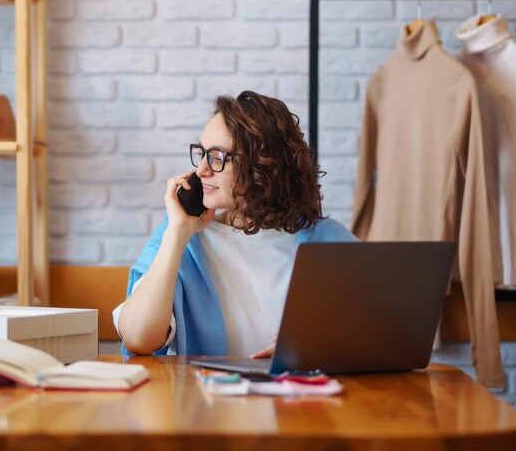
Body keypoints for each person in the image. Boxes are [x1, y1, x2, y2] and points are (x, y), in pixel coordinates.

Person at [113, 91, 357, 357]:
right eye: (202, 153)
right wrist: (176, 234)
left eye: (217, 157)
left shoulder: (328, 240)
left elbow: (373, 334)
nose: (202, 170)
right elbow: (138, 338)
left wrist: (313, 347)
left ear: (263, 164)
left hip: (294, 396)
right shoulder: (181, 237)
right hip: (204, 397)